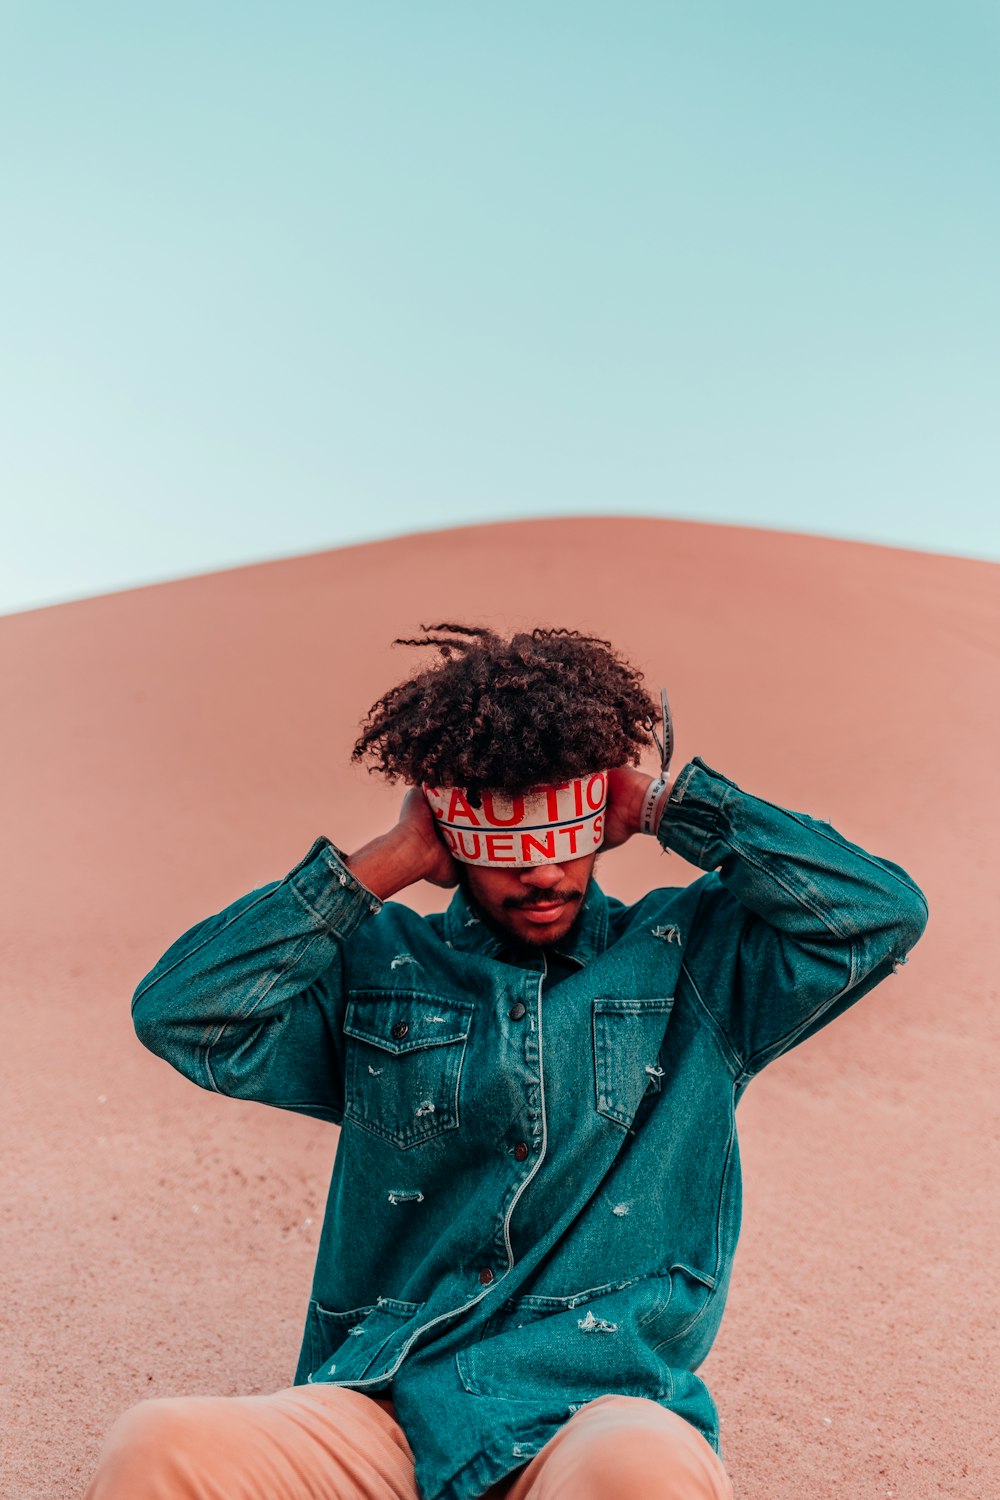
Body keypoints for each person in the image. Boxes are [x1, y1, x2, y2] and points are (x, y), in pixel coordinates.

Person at [86, 623, 928, 1500]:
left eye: (564, 822)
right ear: (449, 817)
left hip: (598, 1406)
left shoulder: (694, 960)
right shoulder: (380, 969)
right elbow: (181, 1013)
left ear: (602, 815)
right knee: (159, 1446)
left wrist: (673, 808)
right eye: (499, 823)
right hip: (384, 1408)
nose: (540, 869)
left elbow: (879, 915)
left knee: (640, 1470)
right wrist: (388, 861)